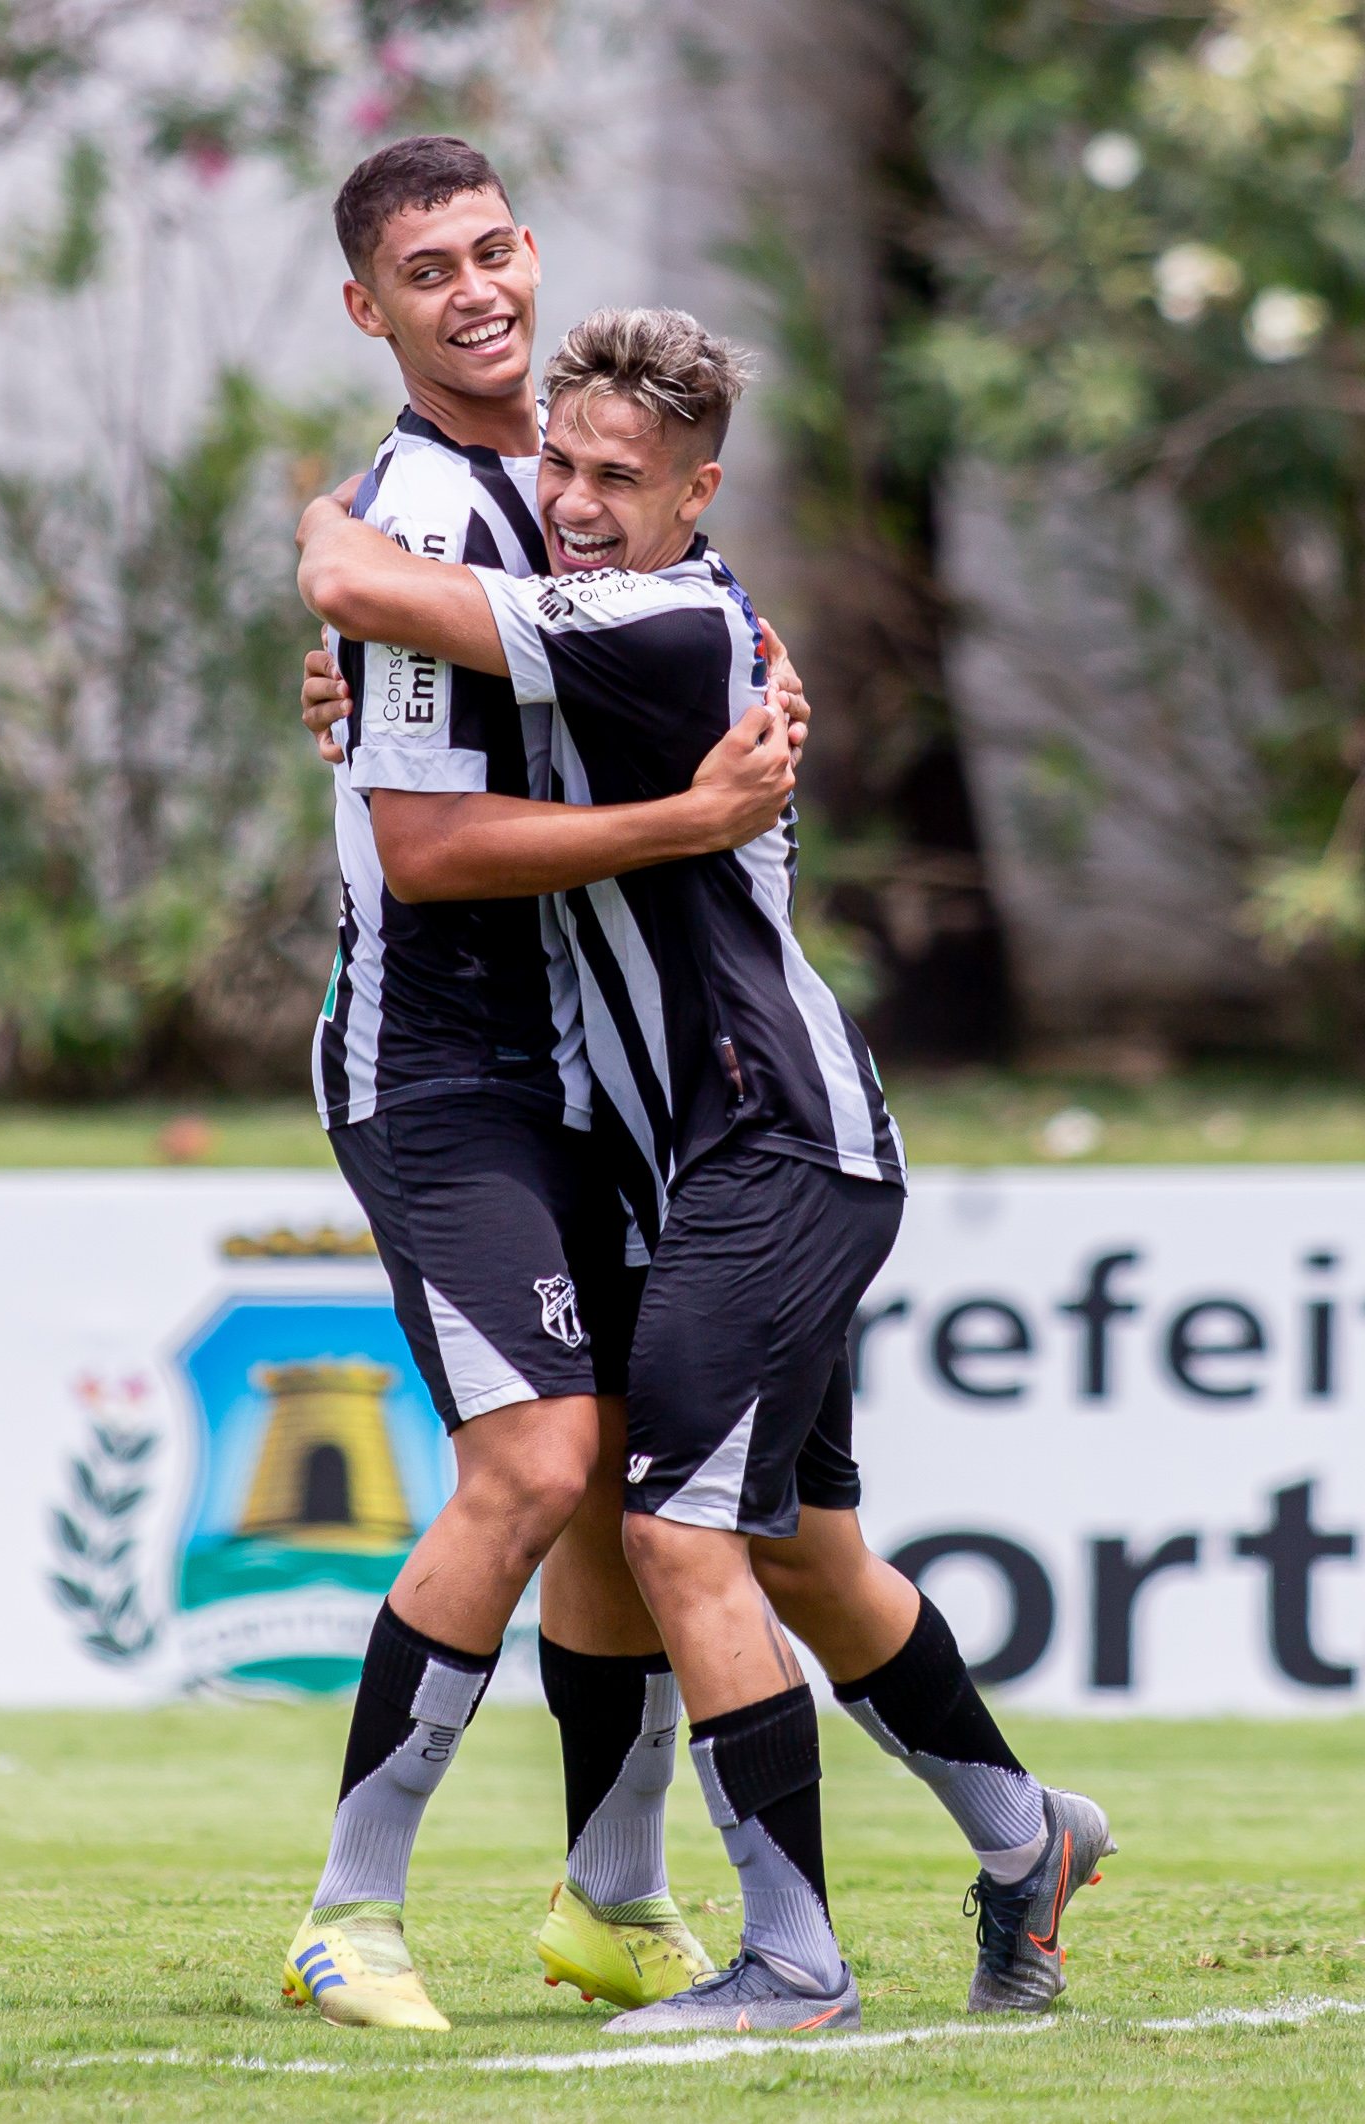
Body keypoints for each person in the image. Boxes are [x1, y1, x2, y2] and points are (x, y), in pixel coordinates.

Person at [292, 306, 1115, 2033]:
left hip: (772, 1143)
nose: (580, 500)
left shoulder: (660, 622)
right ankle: (1025, 1839)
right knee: (807, 1549)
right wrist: (352, 688)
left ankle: (796, 1961)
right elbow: (422, 692)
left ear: (699, 491)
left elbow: (377, 596)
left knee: (672, 1528)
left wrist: (327, 533)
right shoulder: (631, 625)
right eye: (562, 466)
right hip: (721, 1154)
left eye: (621, 475)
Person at [280, 136, 819, 2034]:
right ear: (373, 312)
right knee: (537, 1462)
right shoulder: (416, 509)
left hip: (609, 1062)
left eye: (495, 246)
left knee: (623, 1492)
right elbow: (421, 850)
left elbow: (682, 619)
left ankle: (611, 1902)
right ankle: (351, 1909)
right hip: (443, 1064)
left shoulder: (578, 471)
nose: (477, 288)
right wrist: (693, 808)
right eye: (427, 270)